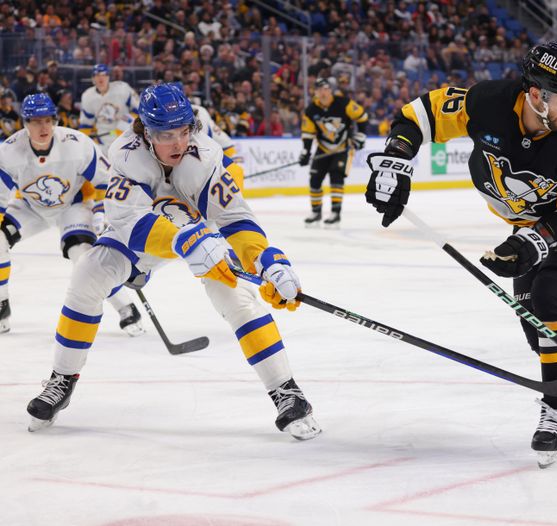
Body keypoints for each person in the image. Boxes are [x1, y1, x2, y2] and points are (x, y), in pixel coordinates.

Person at [364, 42, 557, 467]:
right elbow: (418, 116)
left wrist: (534, 242)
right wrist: (396, 161)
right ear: (536, 95)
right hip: (529, 224)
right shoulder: (487, 103)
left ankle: (555, 412)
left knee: (551, 301)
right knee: (536, 331)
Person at [25, 84, 321, 441]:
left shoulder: (206, 156)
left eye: (184, 131)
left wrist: (266, 260)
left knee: (237, 297)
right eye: (167, 135)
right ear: (147, 133)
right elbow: (130, 222)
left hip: (198, 231)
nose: (179, 144)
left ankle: (287, 393)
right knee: (88, 273)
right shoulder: (125, 155)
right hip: (143, 237)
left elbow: (235, 219)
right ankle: (62, 379)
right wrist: (180, 244)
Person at [0, 93, 143, 336]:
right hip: (30, 208)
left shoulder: (78, 144)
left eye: (47, 120)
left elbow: (106, 182)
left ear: (55, 120)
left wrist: (101, 212)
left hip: (71, 207)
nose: (43, 127)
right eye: (35, 121)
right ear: (25, 123)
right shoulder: (9, 152)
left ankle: (126, 308)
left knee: (85, 258)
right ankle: (2, 305)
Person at [299, 77, 368, 228]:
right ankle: (316, 212)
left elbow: (362, 116)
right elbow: (308, 134)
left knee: (336, 177)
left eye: (325, 89)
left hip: (342, 148)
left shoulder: (343, 103)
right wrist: (306, 151)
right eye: (319, 90)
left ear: (330, 90)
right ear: (315, 92)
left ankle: (335, 213)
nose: (323, 93)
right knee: (315, 179)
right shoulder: (311, 110)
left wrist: (361, 135)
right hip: (323, 148)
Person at [79, 63, 140, 156]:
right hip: (103, 137)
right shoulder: (88, 96)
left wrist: (127, 124)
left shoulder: (122, 88)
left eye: (104, 75)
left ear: (108, 77)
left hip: (126, 133)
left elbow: (140, 110)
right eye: (97, 75)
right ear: (93, 79)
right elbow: (86, 124)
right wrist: (88, 141)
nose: (101, 78)